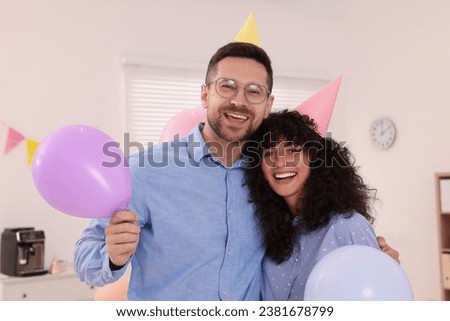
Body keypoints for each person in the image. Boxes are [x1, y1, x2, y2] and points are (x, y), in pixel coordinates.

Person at [74, 42, 398, 301]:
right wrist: (113, 257)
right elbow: (87, 256)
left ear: (267, 105)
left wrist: (374, 261)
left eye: (254, 91)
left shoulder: (270, 178)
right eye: (227, 86)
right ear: (205, 93)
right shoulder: (145, 170)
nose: (239, 101)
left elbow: (311, 241)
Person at [244, 109, 386, 300]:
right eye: (269, 153)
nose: (280, 162)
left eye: (292, 150)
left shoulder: (348, 226)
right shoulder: (267, 232)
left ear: (314, 158)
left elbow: (380, 296)